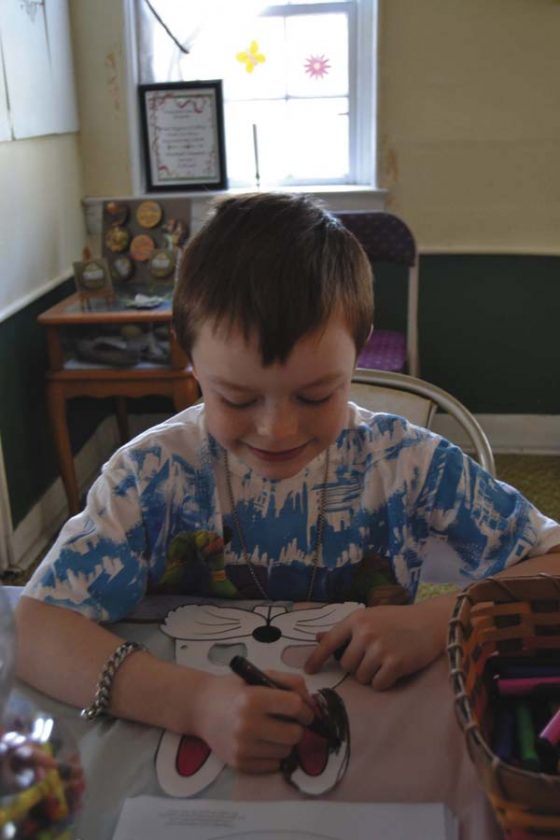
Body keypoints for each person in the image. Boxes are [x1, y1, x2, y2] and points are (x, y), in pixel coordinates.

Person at [15, 193, 560, 775]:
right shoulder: (150, 475)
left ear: (358, 349)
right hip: (176, 748)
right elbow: (35, 627)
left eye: (316, 395)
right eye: (237, 399)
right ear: (189, 356)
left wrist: (440, 620)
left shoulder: (407, 464)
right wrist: (194, 703)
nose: (278, 431)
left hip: (359, 745)